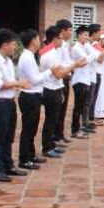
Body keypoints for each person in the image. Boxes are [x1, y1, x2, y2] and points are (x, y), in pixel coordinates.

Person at [16, 29, 65, 170]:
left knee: (32, 128)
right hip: (29, 96)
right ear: (32, 40)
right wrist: (51, 70)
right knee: (28, 129)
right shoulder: (27, 57)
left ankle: (30, 155)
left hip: (34, 96)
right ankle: (24, 159)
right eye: (38, 38)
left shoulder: (30, 56)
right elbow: (35, 79)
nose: (40, 41)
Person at [0, 29, 30, 183]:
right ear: (4, 45)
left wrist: (17, 86)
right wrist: (18, 83)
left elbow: (10, 82)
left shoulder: (9, 61)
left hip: (10, 102)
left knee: (9, 136)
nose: (14, 47)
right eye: (13, 44)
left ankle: (8, 164)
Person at [40, 26, 87, 157]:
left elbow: (61, 69)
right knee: (50, 120)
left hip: (56, 87)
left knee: (54, 118)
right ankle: (47, 147)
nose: (62, 40)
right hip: (50, 89)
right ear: (54, 39)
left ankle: (51, 144)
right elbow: (59, 74)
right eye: (60, 38)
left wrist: (69, 67)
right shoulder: (49, 54)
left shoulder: (54, 52)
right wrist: (74, 65)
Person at [70, 26, 98, 138]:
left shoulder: (83, 47)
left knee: (81, 107)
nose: (87, 38)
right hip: (79, 80)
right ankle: (75, 130)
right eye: (85, 35)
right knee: (78, 107)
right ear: (79, 35)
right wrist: (89, 50)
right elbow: (87, 60)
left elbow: (93, 56)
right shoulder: (76, 48)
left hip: (85, 80)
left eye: (87, 35)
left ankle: (79, 128)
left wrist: (88, 48)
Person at [85, 25, 104, 127]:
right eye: (99, 32)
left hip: (96, 72)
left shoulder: (94, 44)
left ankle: (91, 117)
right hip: (94, 72)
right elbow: (100, 59)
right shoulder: (92, 45)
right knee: (90, 99)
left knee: (93, 97)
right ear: (95, 33)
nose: (101, 34)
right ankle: (88, 119)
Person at [53, 19, 74, 144]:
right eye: (70, 30)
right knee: (58, 109)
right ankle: (55, 135)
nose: (71, 33)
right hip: (60, 78)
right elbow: (59, 63)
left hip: (66, 78)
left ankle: (59, 134)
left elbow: (67, 61)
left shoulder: (66, 45)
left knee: (63, 108)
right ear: (63, 31)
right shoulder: (58, 46)